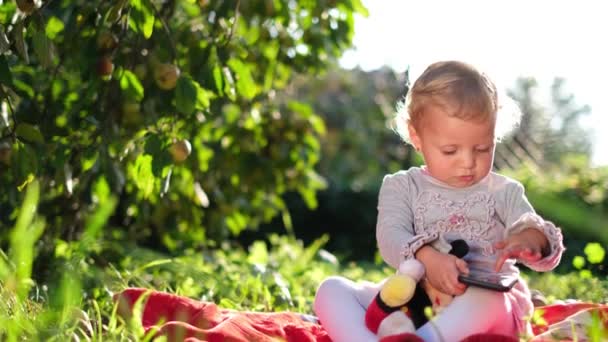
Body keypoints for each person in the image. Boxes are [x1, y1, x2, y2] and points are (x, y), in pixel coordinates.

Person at [313, 60, 565, 342]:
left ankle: (420, 339)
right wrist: (427, 257)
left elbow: (535, 234)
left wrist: (532, 240)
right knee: (331, 290)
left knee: (490, 300)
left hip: (482, 302)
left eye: (483, 148)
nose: (468, 162)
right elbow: (390, 237)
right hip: (416, 298)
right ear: (416, 136)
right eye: (450, 150)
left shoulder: (504, 192)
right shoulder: (402, 186)